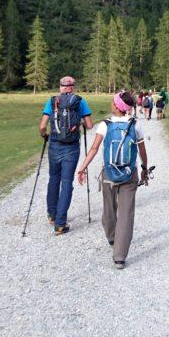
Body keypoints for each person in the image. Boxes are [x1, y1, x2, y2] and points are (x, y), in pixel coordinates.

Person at [76, 91, 149, 269]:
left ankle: (111, 237)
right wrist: (144, 169)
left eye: (112, 102)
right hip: (129, 174)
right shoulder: (135, 125)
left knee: (109, 210)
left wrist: (82, 167)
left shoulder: (105, 125)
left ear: (117, 106)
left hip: (109, 174)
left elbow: (94, 149)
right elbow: (142, 151)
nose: (111, 104)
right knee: (126, 214)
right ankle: (119, 257)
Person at [38, 76, 93, 235]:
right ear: (73, 87)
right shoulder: (80, 101)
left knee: (53, 178)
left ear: (61, 86)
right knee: (67, 182)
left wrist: (45, 135)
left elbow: (42, 126)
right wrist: (80, 124)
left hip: (55, 145)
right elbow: (89, 125)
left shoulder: (53, 101)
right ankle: (61, 224)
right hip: (71, 147)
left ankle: (52, 215)